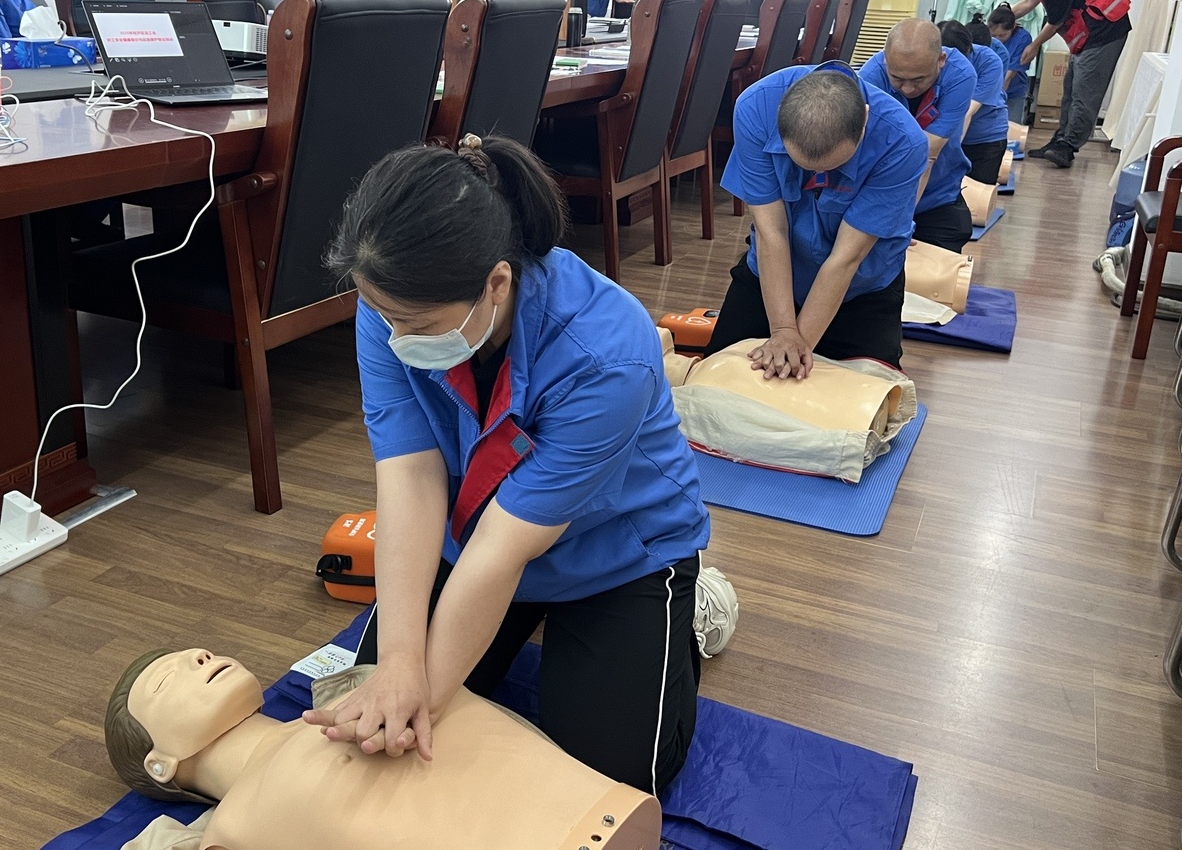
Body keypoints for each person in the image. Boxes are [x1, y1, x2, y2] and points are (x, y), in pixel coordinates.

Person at [319, 135, 727, 795]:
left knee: (609, 778)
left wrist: (421, 696)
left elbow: (502, 551)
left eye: (415, 325)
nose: (396, 337)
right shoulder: (394, 300)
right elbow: (410, 478)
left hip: (614, 551)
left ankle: (688, 607)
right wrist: (397, 662)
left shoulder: (606, 353)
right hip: (473, 533)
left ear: (497, 283)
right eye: (384, 316)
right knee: (375, 713)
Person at [104, 648, 662, 850]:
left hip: (607, 809)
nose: (199, 658)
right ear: (160, 763)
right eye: (167, 680)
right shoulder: (233, 831)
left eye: (197, 652)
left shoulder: (356, 689)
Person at [705, 63, 928, 375]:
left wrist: (794, 351)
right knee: (717, 375)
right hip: (772, 268)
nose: (818, 175)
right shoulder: (755, 107)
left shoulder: (903, 141)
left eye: (832, 166)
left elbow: (846, 257)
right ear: (780, 115)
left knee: (867, 393)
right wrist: (783, 330)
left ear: (865, 120)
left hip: (861, 284)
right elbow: (771, 232)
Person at [859, 19, 976, 253]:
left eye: (919, 80)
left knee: (943, 260)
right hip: (880, 194)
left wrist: (901, 223)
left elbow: (927, 155)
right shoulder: (869, 79)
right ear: (885, 60)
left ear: (941, 60)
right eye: (897, 79)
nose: (908, 89)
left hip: (937, 194)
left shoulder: (960, 75)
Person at [1007, 0, 1132, 169]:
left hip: (1105, 33)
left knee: (1084, 92)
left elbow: (1054, 24)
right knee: (1071, 87)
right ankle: (1060, 139)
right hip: (1094, 30)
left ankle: (1067, 147)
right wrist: (1000, 18)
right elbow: (1028, 3)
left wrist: (1033, 46)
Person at [939, 19, 1008, 186]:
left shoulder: (989, 61)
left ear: (968, 48)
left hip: (984, 139)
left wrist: (950, 152)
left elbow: (967, 111)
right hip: (945, 135)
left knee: (977, 193)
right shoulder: (932, 59)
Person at [987, 2, 1033, 124]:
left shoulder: (1023, 38)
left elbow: (1010, 74)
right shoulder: (984, 36)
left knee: (1012, 128)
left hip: (1013, 91)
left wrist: (998, 99)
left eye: (1002, 35)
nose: (997, 40)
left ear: (1013, 27)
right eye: (993, 35)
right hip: (988, 90)